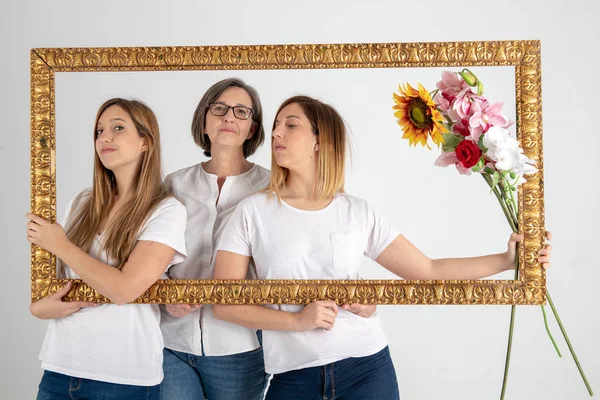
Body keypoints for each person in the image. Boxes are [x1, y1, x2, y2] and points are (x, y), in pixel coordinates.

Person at [212, 95, 553, 400]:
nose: (275, 134)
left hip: (367, 371)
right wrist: (297, 321)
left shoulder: (356, 212)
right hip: (292, 379)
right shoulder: (251, 212)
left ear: (320, 140)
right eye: (274, 126)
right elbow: (223, 305)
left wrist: (506, 261)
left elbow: (429, 271)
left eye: (290, 125)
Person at [26, 98, 187, 400]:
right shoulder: (82, 203)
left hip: (123, 378)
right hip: (60, 369)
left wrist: (60, 244)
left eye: (118, 128)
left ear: (145, 142)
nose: (105, 138)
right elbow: (52, 288)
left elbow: (124, 290)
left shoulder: (166, 210)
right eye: (99, 131)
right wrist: (39, 308)